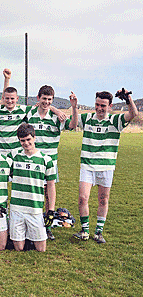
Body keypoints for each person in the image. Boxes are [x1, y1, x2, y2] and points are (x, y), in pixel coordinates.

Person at [69, 89, 138, 244]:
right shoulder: (87, 118)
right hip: (87, 165)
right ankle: (85, 231)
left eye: (103, 105)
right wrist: (74, 107)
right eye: (97, 104)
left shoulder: (115, 120)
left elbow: (133, 114)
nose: (99, 108)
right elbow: (73, 124)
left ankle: (98, 232)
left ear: (110, 106)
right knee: (82, 198)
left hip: (106, 167)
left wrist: (128, 99)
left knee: (103, 199)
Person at [0, 69, 66, 156]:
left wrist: (57, 111)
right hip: (0, 153)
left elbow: (44, 106)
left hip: (17, 153)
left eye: (12, 98)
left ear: (17, 99)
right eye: (7, 98)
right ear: (4, 98)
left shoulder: (23, 110)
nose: (10, 101)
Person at [26, 85, 71, 240]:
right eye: (43, 99)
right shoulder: (29, 114)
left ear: (52, 101)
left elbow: (71, 126)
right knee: (32, 193)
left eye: (49, 100)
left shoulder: (57, 117)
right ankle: (33, 224)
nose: (46, 102)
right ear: (38, 98)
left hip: (51, 162)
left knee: (47, 193)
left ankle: (48, 226)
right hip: (33, 161)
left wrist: (57, 110)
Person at [8, 124, 56, 252]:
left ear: (34, 138)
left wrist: (50, 210)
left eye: (28, 139)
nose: (26, 143)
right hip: (17, 208)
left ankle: (29, 236)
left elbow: (51, 186)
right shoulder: (13, 156)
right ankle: (23, 237)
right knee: (19, 248)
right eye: (22, 141)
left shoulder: (46, 160)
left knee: (41, 249)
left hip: (35, 208)